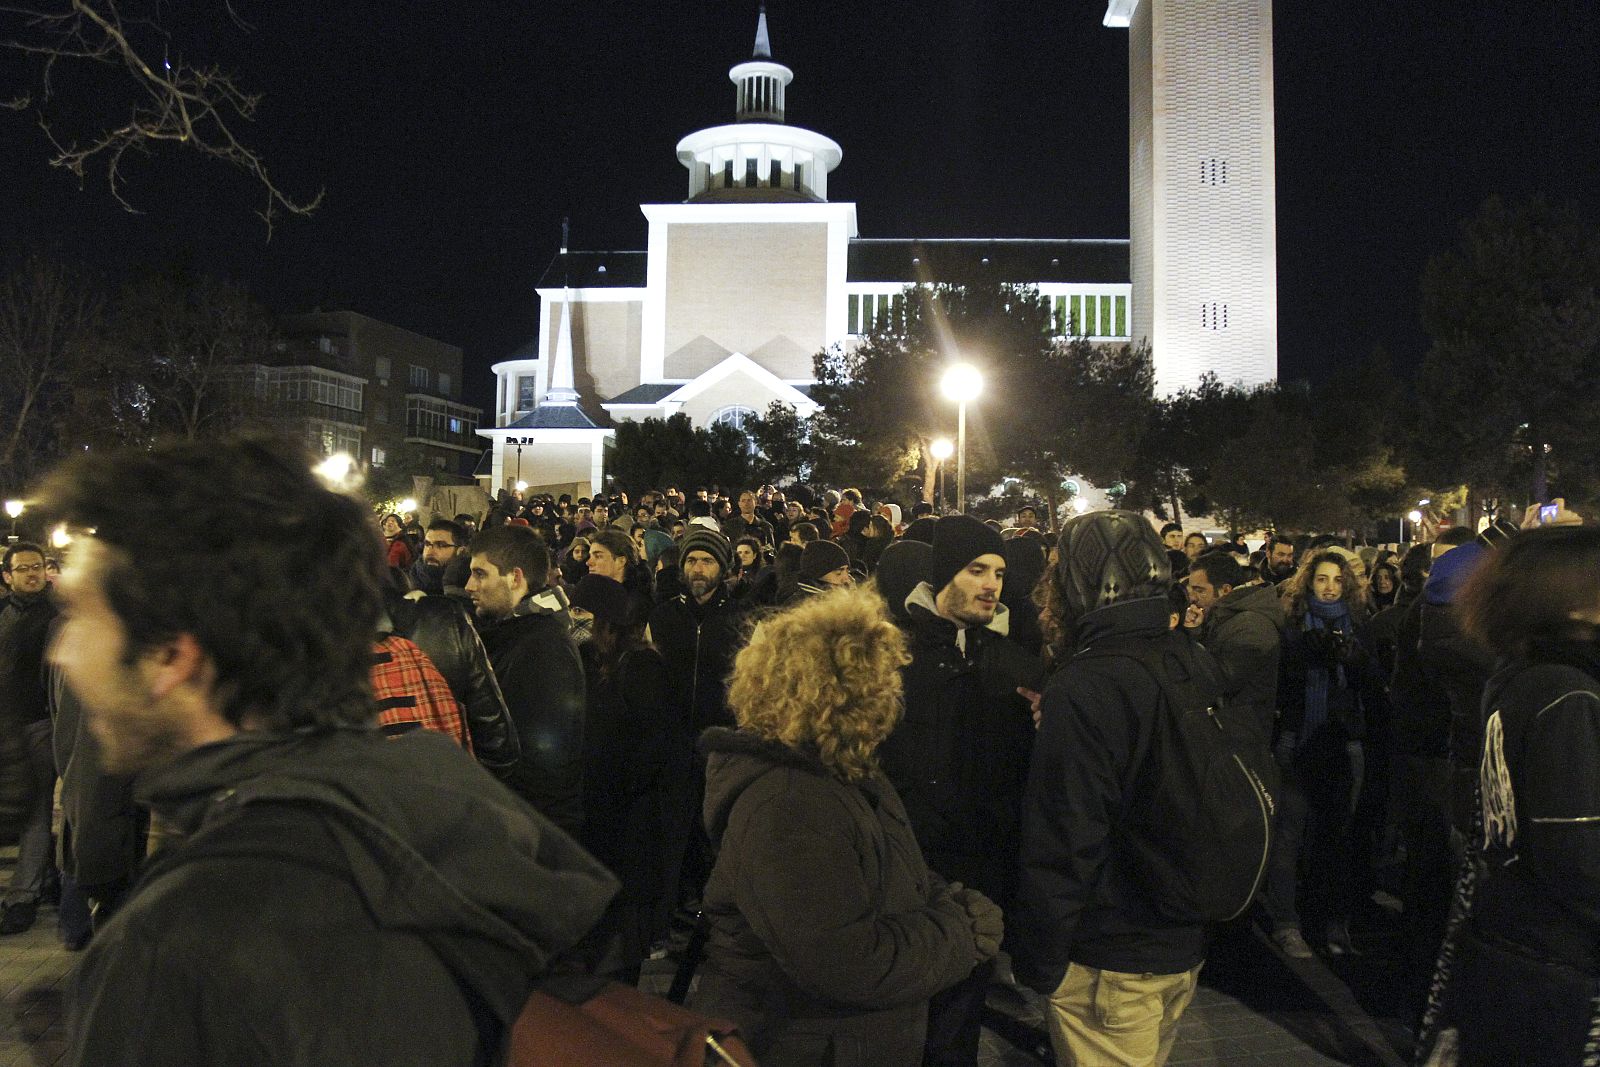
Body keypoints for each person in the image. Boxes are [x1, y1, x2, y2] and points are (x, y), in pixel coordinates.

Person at [41, 433, 617, 1067]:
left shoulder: (179, 943)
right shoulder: (424, 804)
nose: (61, 652)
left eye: (80, 616)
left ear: (173, 657)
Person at [691, 587, 1003, 1066]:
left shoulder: (842, 770)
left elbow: (894, 875)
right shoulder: (789, 803)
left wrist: (948, 900)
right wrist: (961, 931)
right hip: (801, 1044)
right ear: (838, 695)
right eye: (881, 683)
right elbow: (846, 962)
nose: (896, 696)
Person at [1014, 510, 1213, 1065]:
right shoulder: (1188, 658)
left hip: (1111, 953)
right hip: (1179, 940)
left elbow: (1066, 835)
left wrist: (1040, 962)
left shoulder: (1088, 682)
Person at [1429, 526, 1600, 1067]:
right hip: (1560, 959)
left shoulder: (1521, 675)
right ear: (1571, 602)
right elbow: (1577, 851)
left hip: (1515, 938)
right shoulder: (1568, 692)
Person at [879, 514, 1041, 1066]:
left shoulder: (1014, 660)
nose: (991, 584)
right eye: (977, 570)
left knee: (957, 1024)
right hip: (904, 866)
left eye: (997, 572)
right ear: (946, 574)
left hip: (982, 873)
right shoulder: (891, 654)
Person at [1267, 551, 1375, 958]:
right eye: (1321, 579)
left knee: (1334, 835)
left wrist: (1353, 659)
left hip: (1341, 742)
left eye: (1336, 580)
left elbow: (1372, 683)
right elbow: (1279, 679)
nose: (1329, 587)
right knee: (1289, 835)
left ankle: (1332, 921)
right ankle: (1286, 923)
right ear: (1308, 583)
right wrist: (1302, 654)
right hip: (1297, 739)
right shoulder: (1292, 625)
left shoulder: (1358, 625)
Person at [567, 574, 675, 980]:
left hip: (627, 817)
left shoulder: (641, 665)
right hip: (593, 811)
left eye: (580, 611)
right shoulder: (587, 659)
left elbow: (654, 743)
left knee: (619, 940)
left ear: (605, 619)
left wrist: (619, 785)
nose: (571, 618)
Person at [466, 524, 588, 835]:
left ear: (515, 578)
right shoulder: (513, 635)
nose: (469, 585)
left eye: (480, 574)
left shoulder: (543, 648)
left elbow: (545, 766)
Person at [0, 542, 58, 935]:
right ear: (7, 576)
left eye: (36, 567)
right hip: (5, 725)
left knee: (35, 810)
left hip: (38, 723)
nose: (31, 574)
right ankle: (42, 878)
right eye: (23, 569)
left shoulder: (57, 616)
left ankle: (23, 896)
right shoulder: (2, 613)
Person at [1187, 551, 1283, 747]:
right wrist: (1196, 631)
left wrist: (1188, 640)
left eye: (1200, 590)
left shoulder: (1251, 625)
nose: (1193, 598)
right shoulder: (1225, 617)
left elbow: (1219, 679)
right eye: (1191, 590)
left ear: (1225, 590)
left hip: (1242, 736)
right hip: (1229, 730)